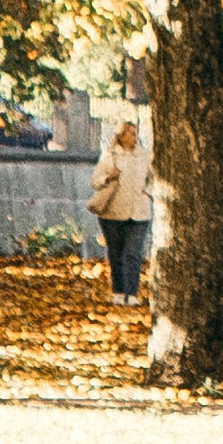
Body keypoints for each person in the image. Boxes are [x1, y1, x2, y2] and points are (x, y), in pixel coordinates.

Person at [86, 107, 152, 306]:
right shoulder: (110, 155)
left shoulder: (144, 156)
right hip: (113, 213)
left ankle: (132, 293)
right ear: (121, 136)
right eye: (130, 134)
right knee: (116, 253)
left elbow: (153, 179)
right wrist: (108, 177)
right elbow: (95, 181)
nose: (134, 137)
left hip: (139, 212)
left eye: (135, 134)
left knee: (134, 253)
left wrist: (147, 192)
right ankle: (118, 290)